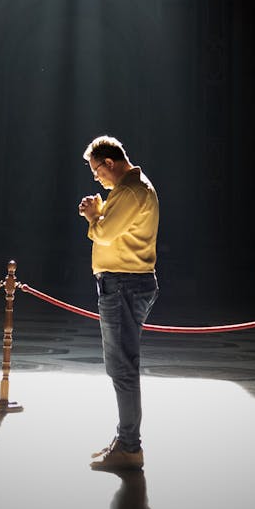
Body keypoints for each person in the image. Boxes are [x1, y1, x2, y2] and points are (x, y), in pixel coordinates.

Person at [78, 134, 159, 471]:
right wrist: (100, 212)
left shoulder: (129, 190)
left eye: (98, 171)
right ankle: (126, 440)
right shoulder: (130, 188)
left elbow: (106, 233)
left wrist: (93, 215)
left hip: (123, 284)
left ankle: (129, 446)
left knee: (122, 367)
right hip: (126, 283)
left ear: (110, 163)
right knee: (122, 365)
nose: (97, 178)